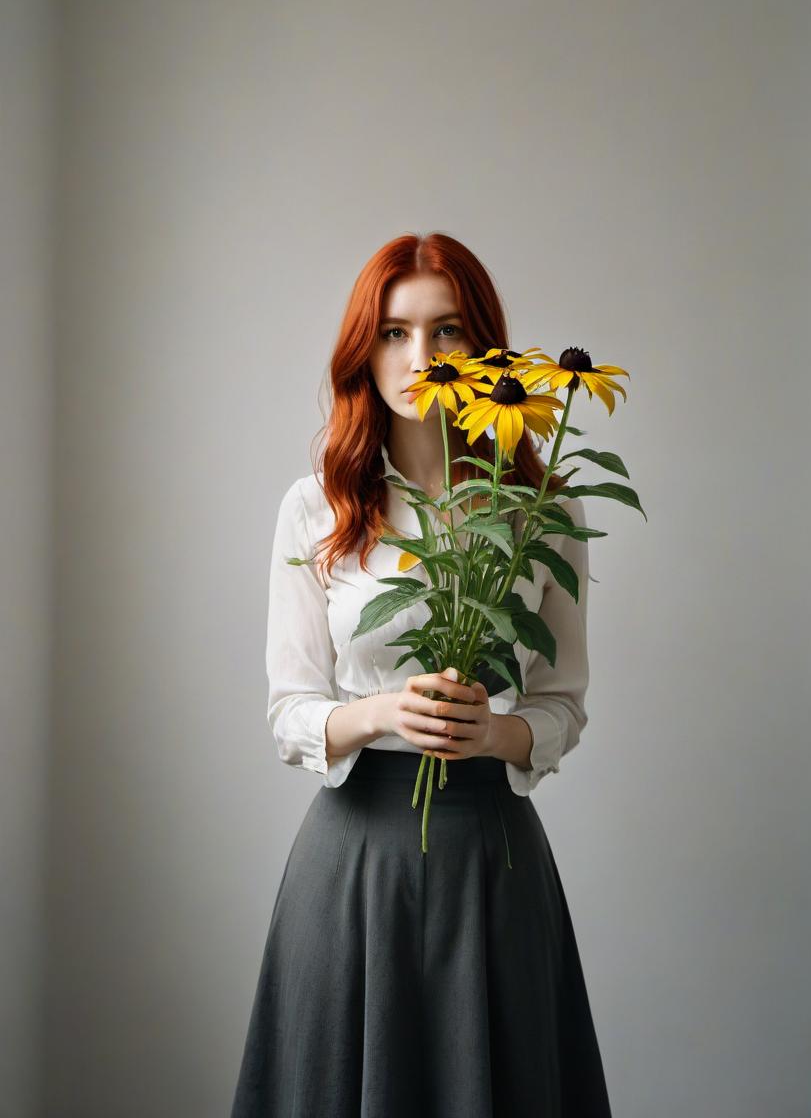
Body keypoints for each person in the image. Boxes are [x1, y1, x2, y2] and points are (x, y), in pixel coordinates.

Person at [229, 232, 613, 1117]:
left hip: (494, 861)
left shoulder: (544, 509)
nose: (422, 358)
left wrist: (496, 733)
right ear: (364, 348)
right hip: (352, 866)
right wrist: (379, 714)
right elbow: (290, 709)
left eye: (447, 333)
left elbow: (563, 705)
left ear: (484, 349)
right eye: (396, 333)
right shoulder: (315, 506)